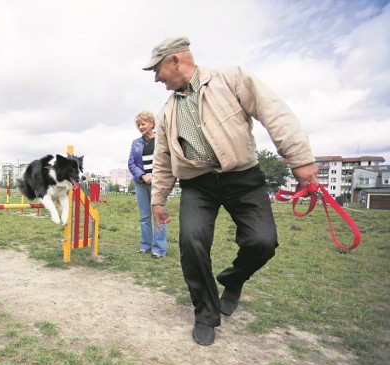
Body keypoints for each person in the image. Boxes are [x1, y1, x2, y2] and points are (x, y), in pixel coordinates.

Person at [142, 36, 318, 346]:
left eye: (157, 70)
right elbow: (163, 160)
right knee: (191, 242)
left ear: (174, 61)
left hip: (242, 178)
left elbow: (273, 113)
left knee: (263, 242)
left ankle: (232, 280)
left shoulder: (230, 78)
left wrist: (300, 159)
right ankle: (206, 315)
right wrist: (158, 199)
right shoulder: (167, 111)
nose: (156, 78)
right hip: (198, 185)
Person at [128, 111, 167, 258]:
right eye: (138, 125)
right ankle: (145, 246)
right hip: (140, 183)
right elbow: (131, 163)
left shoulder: (162, 139)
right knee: (144, 217)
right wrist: (143, 176)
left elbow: (166, 161)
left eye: (143, 124)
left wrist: (155, 176)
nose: (140, 127)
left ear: (151, 123)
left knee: (159, 216)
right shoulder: (135, 143)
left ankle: (159, 249)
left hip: (158, 183)